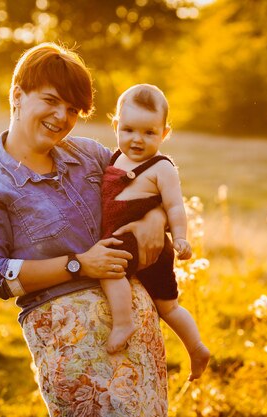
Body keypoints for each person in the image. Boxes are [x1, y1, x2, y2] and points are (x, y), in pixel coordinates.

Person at [0, 43, 169, 416]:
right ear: (18, 95)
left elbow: (150, 180)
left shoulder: (90, 155)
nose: (61, 117)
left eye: (72, 109)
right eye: (51, 101)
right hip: (73, 352)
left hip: (141, 342)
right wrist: (80, 265)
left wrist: (155, 219)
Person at [100, 84, 210, 381]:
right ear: (116, 126)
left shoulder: (163, 168)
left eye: (149, 133)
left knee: (110, 268)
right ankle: (197, 349)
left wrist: (182, 238)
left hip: (143, 242)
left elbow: (175, 206)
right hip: (128, 237)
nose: (137, 139)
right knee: (168, 307)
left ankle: (123, 323)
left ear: (164, 134)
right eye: (129, 130)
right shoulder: (113, 159)